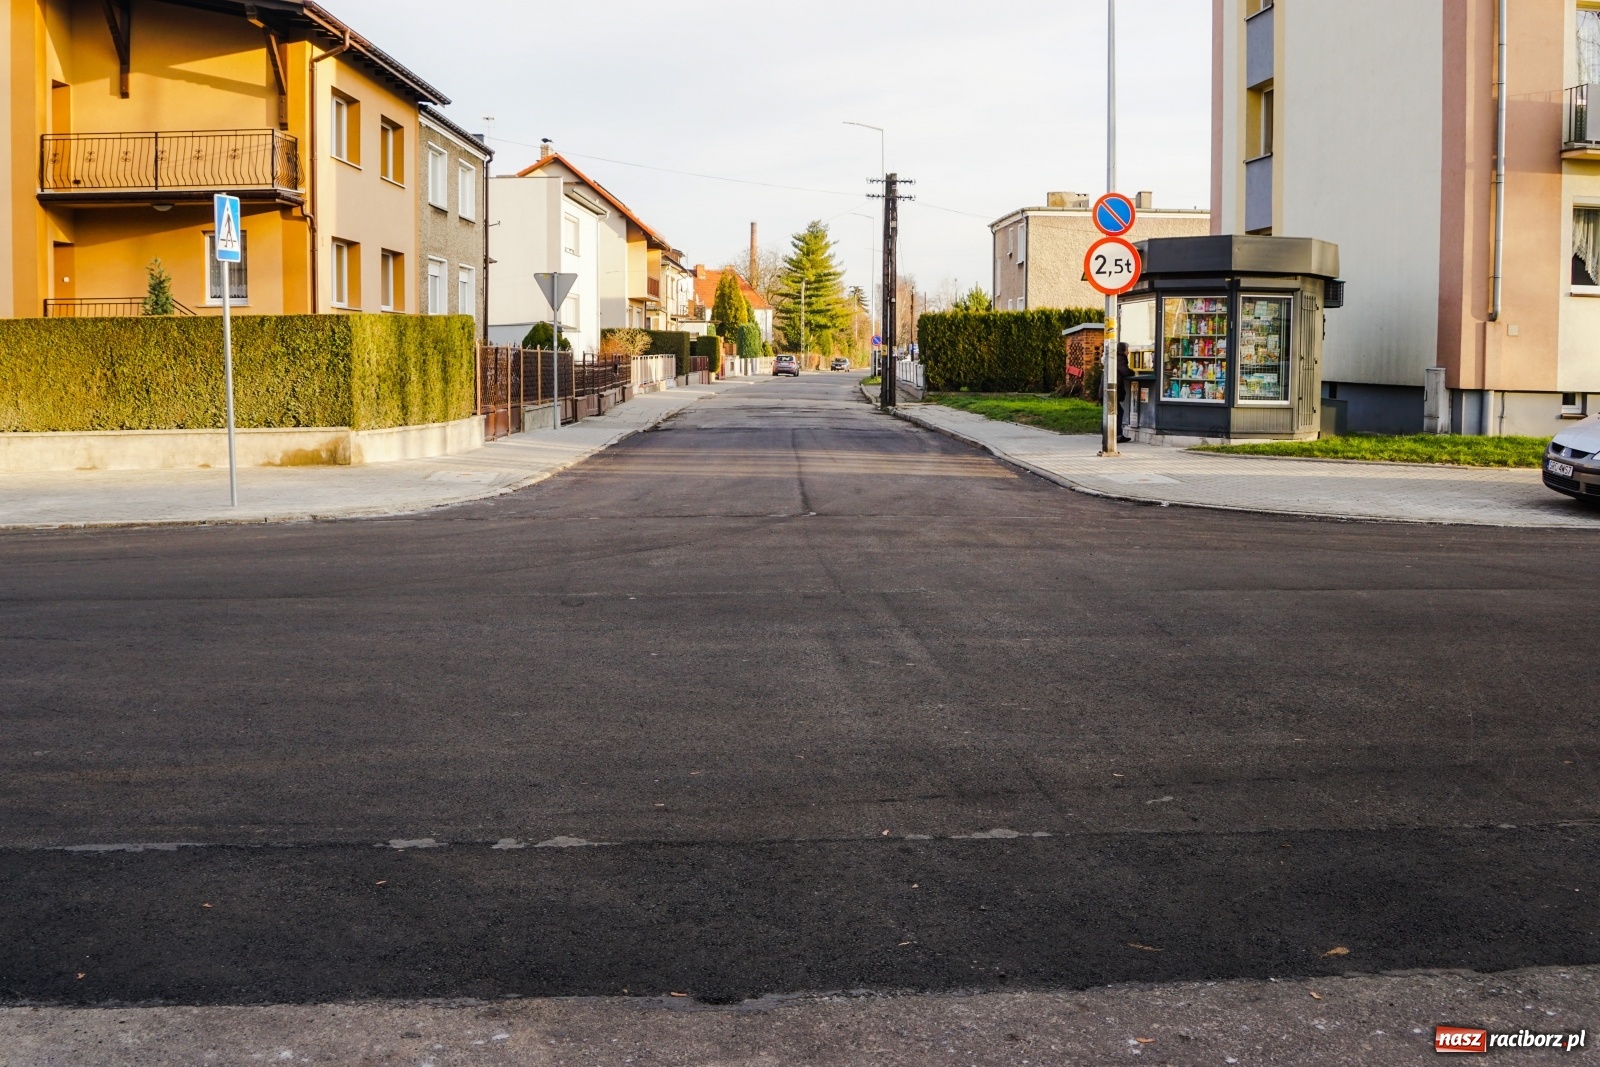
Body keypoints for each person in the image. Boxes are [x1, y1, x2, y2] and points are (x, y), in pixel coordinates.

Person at [1116, 342, 1134, 443]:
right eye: (1127, 350)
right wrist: (1132, 372)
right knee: (1118, 412)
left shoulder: (1114, 357)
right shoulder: (1121, 357)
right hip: (1112, 389)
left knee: (1112, 411)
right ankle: (1117, 435)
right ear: (1123, 350)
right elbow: (1124, 371)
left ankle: (1108, 432)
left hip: (1107, 389)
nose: (1128, 352)